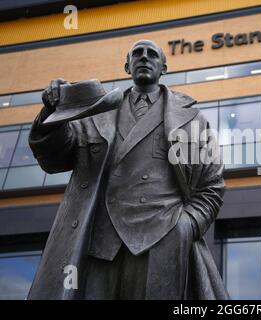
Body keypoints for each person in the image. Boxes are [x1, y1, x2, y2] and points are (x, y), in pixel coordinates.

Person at [27, 39, 228, 300]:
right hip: (100, 241)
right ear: (127, 66)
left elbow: (211, 186)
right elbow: (54, 159)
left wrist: (185, 226)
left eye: (152, 54)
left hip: (161, 238)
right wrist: (52, 113)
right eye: (137, 53)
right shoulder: (97, 113)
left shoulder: (191, 119)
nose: (144, 57)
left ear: (164, 67)